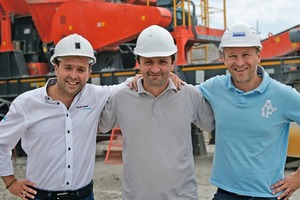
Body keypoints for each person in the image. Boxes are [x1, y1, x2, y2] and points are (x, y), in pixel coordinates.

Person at [0, 33, 132, 200]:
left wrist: (168, 78)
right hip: (41, 196)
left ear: (89, 72)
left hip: (84, 195)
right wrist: (10, 182)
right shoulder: (27, 103)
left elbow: (130, 84)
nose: (74, 75)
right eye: (68, 67)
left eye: (81, 69)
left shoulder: (96, 96)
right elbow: (1, 142)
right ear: (56, 67)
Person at [99, 25, 215, 200]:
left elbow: (217, 124)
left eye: (162, 62)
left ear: (172, 62)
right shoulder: (121, 97)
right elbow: (90, 124)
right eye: (148, 62)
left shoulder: (190, 95)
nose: (155, 69)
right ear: (138, 62)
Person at [199, 21, 300, 200]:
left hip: (267, 195)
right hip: (225, 194)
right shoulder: (215, 87)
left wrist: (298, 178)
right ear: (223, 58)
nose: (239, 62)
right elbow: (180, 94)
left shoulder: (283, 95)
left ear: (258, 56)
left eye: (246, 54)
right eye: (232, 56)